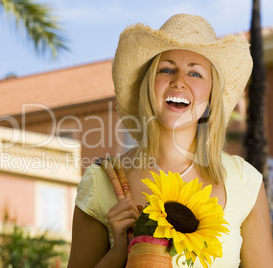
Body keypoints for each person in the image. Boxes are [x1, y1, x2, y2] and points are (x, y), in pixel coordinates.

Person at [67, 14, 273, 268]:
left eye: (195, 74)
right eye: (166, 69)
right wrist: (118, 252)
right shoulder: (101, 182)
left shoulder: (246, 182)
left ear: (211, 95)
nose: (179, 82)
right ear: (148, 85)